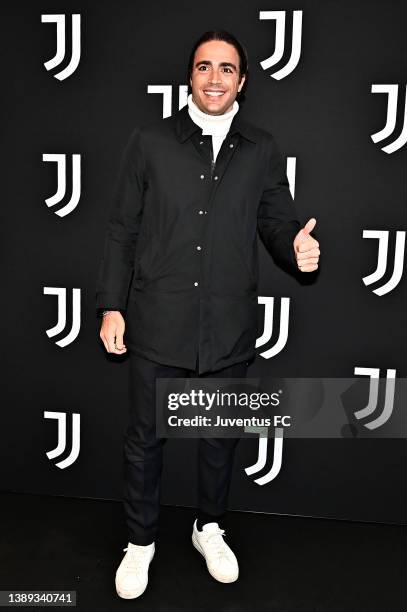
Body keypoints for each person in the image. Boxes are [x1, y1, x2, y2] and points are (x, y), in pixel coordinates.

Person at [96, 29, 320, 599]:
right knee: (146, 440)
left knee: (219, 439)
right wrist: (110, 306)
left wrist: (295, 244)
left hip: (228, 327)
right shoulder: (149, 141)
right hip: (156, 321)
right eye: (204, 67)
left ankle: (209, 528)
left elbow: (274, 222)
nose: (214, 77)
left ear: (243, 80)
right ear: (189, 77)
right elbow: (122, 230)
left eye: (226, 68)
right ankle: (141, 542)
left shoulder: (262, 149)